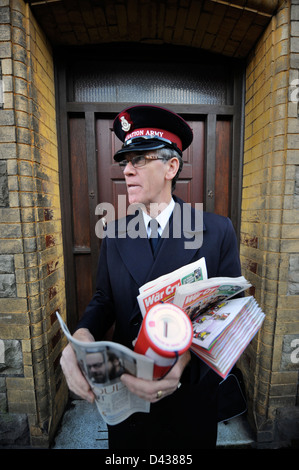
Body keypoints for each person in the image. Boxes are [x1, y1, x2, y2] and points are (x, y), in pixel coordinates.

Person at [60, 105, 242, 449]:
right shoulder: (114, 234)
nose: (127, 171)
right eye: (125, 162)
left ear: (171, 166)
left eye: (139, 160)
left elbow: (228, 317)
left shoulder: (216, 231)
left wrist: (184, 358)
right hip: (130, 398)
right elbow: (104, 301)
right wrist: (80, 337)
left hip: (189, 396)